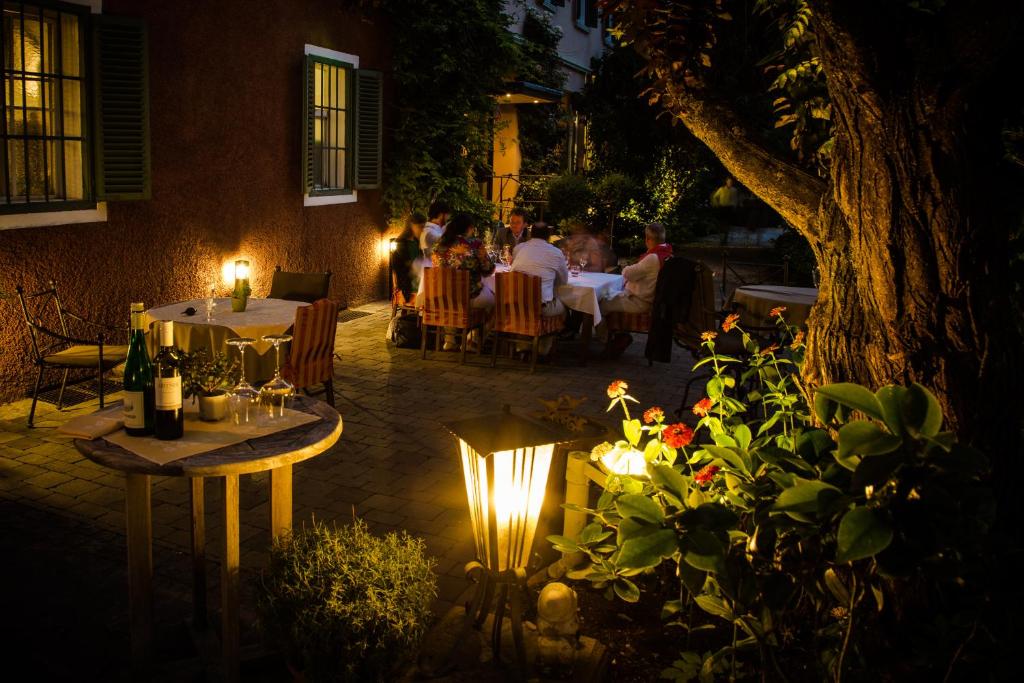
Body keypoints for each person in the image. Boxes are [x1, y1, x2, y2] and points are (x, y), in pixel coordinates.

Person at [599, 222, 672, 354]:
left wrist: (626, 267)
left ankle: (607, 342)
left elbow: (628, 273)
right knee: (611, 295)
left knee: (599, 305)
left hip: (640, 302)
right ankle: (620, 334)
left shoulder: (652, 258)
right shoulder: (667, 253)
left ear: (648, 239)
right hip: (651, 300)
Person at [432, 212, 496, 350]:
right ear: (469, 228)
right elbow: (488, 269)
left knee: (450, 296)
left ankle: (449, 340)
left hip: (443, 296)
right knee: (497, 303)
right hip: (470, 295)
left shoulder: (440, 245)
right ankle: (474, 339)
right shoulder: (475, 244)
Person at [510, 222, 569, 357]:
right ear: (548, 236)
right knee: (563, 308)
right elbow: (563, 281)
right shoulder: (556, 253)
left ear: (531, 234)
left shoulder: (519, 248)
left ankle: (522, 347)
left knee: (524, 308)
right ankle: (543, 349)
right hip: (540, 306)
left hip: (514, 303)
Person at [391, 212, 426, 302]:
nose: (422, 231)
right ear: (411, 225)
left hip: (418, 277)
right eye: (420, 227)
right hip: (409, 282)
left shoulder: (417, 242)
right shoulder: (401, 243)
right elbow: (403, 268)